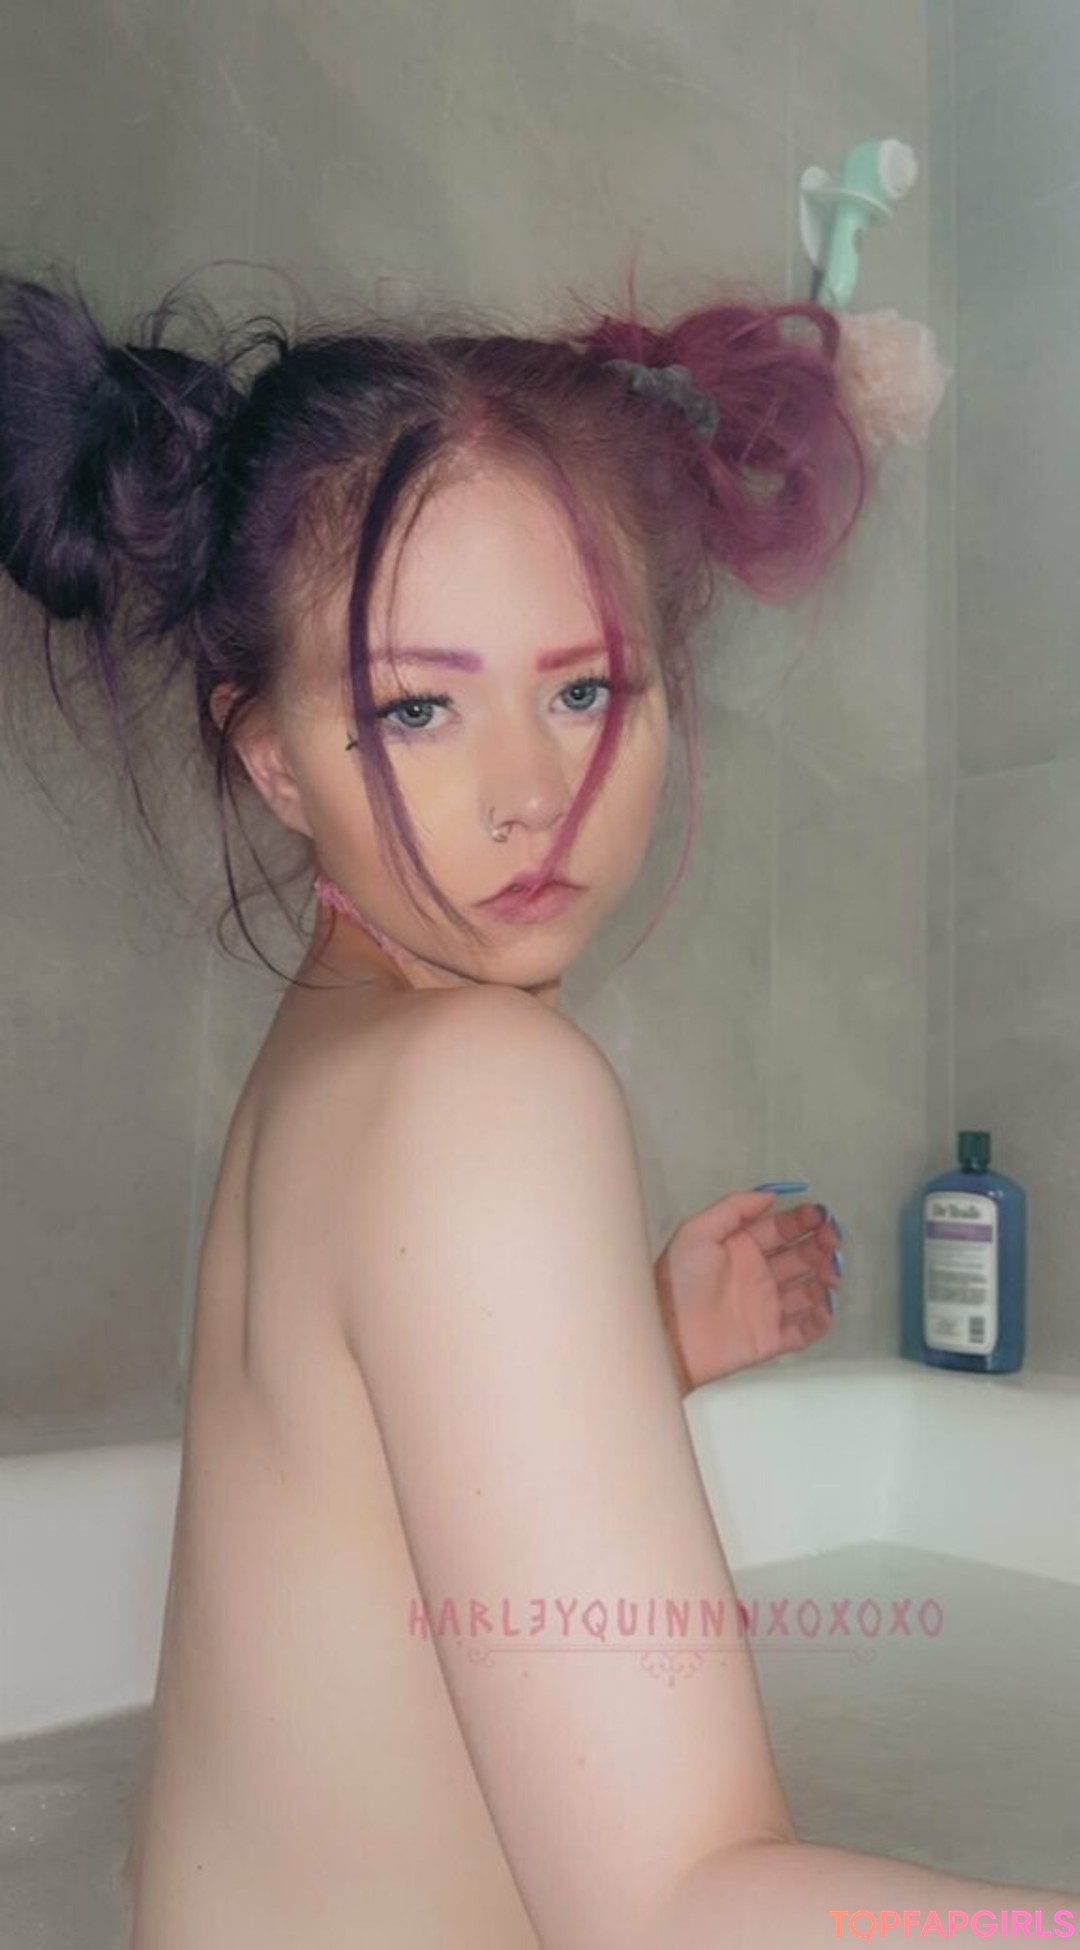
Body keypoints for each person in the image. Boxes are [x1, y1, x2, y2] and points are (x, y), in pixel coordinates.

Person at [1, 273, 1074, 1949]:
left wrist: (634, 1344)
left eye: (584, 690)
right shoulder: (485, 1089)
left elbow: (367, 1523)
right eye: (417, 708)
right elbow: (669, 1907)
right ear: (273, 761)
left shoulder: (340, 1057)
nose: (528, 794)